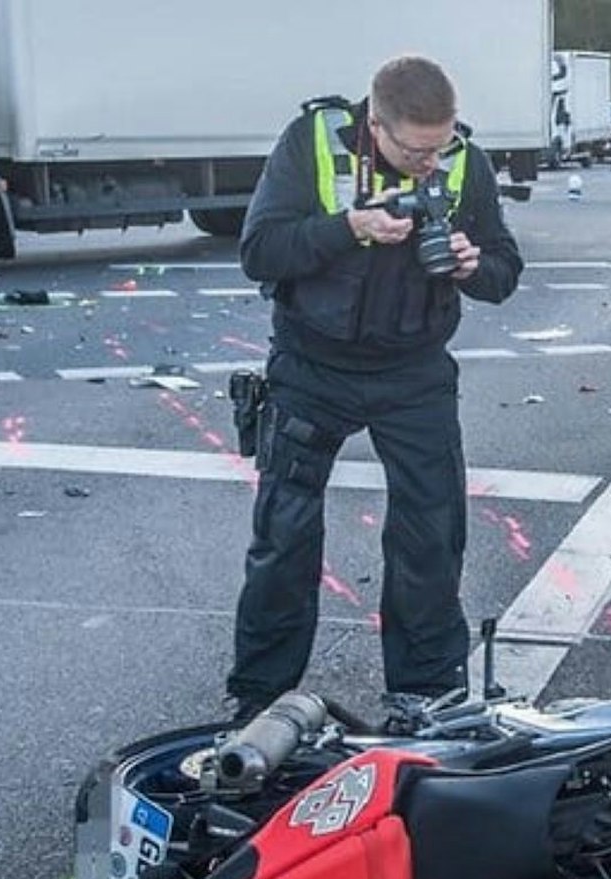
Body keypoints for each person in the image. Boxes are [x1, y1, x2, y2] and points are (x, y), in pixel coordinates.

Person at [227, 54, 523, 722]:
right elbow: (259, 251)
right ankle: (260, 696)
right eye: (417, 152)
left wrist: (475, 266)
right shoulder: (312, 142)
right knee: (285, 534)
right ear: (377, 123)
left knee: (430, 531)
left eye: (440, 147)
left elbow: (506, 270)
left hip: (414, 370)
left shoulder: (463, 159)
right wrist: (349, 228)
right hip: (312, 365)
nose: (430, 163)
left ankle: (424, 688)